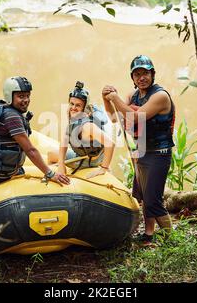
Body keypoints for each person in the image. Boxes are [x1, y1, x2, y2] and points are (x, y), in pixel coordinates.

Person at [102, 55, 175, 246]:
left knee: (153, 199)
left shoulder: (160, 96)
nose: (142, 77)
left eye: (145, 73)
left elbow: (135, 118)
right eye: (137, 74)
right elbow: (113, 117)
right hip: (141, 151)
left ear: (152, 74)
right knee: (142, 194)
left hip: (159, 153)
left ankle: (172, 240)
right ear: (132, 78)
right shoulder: (134, 96)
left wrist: (116, 98)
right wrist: (106, 98)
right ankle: (149, 234)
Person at [0, 76, 70, 186]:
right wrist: (50, 174)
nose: (26, 100)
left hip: (6, 169)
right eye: (21, 96)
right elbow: (30, 150)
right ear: (9, 96)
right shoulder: (12, 117)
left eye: (27, 96)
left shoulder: (6, 110)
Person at [48, 81, 115, 179]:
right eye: (72, 104)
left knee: (50, 156)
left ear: (84, 108)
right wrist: (61, 163)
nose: (73, 108)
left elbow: (110, 143)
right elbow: (65, 139)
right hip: (83, 154)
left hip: (89, 160)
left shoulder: (88, 126)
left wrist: (104, 168)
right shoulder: (73, 115)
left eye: (78, 105)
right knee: (51, 154)